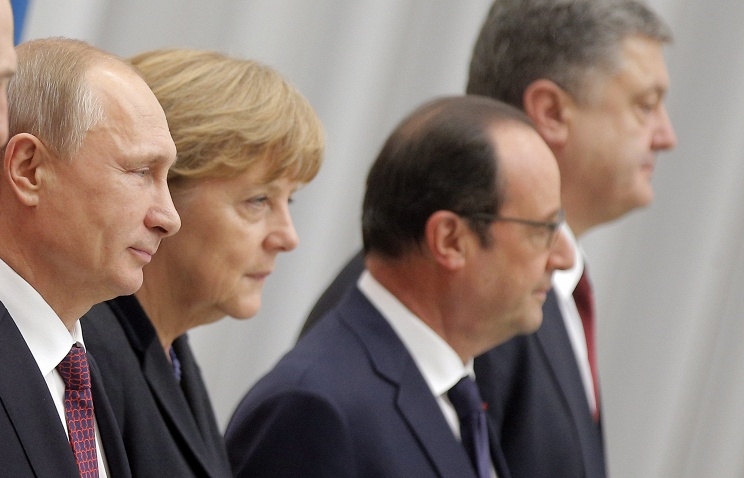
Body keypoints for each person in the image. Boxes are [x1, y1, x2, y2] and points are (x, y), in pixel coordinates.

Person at [299, 1, 677, 477]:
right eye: (645, 105)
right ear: (551, 111)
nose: (666, 136)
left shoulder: (540, 293)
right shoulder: (448, 294)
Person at [225, 95, 574, 477]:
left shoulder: (461, 397)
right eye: (544, 230)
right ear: (450, 240)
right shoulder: (314, 410)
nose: (564, 258)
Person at [80, 48, 325, 478]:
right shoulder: (85, 357)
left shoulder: (171, 354)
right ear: (162, 192)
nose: (288, 238)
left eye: (290, 201)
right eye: (258, 200)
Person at [0, 37, 181, 477]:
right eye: (141, 172)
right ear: (29, 169)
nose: (169, 218)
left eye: (166, 178)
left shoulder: (86, 373)